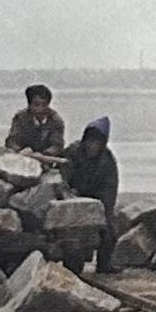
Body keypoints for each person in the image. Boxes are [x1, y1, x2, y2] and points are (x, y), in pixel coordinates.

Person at [60, 116, 121, 273]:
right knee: (71, 236)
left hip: (96, 201)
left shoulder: (107, 160)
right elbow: (62, 176)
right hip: (72, 199)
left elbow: (110, 187)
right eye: (90, 141)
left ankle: (104, 264)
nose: (92, 146)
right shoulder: (72, 152)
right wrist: (69, 194)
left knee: (110, 231)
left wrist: (103, 208)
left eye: (96, 142)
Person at [5, 84, 65, 156]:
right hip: (22, 155)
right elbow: (12, 142)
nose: (40, 109)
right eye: (36, 105)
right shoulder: (20, 118)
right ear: (29, 105)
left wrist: (45, 153)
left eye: (44, 104)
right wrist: (20, 151)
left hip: (46, 158)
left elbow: (57, 145)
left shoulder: (55, 121)